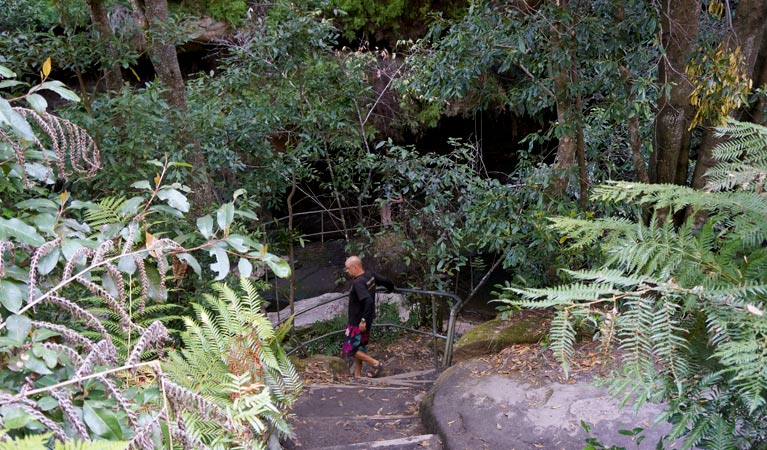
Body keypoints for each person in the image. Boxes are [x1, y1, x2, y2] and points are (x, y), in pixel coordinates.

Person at [342, 255, 395, 377]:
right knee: (360, 347)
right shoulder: (370, 276)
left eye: (348, 268)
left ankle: (375, 363)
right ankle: (358, 374)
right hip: (368, 318)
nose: (347, 271)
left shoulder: (358, 283)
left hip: (358, 322)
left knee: (349, 349)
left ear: (355, 267)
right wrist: (391, 288)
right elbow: (386, 281)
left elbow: (368, 301)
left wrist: (363, 321)